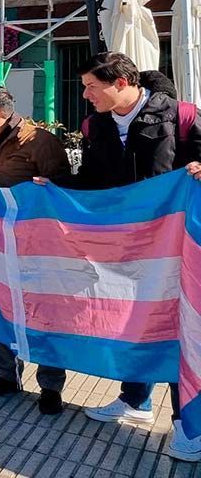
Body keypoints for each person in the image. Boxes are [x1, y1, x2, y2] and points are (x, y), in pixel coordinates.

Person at [47, 53, 201, 461]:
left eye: (91, 86)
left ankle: (190, 425)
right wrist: (53, 187)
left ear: (121, 83)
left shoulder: (180, 115)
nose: (85, 94)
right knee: (134, 321)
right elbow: (93, 179)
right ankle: (135, 400)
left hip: (177, 246)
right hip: (128, 245)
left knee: (179, 327)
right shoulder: (96, 125)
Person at [0, 86, 70, 414]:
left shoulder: (40, 142)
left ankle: (50, 386)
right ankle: (6, 374)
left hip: (39, 244)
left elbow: (65, 189)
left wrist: (49, 188)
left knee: (45, 313)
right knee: (3, 306)